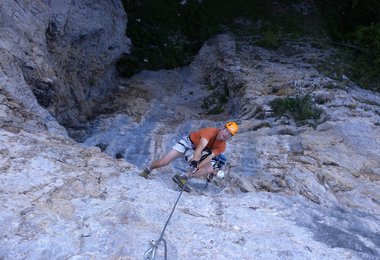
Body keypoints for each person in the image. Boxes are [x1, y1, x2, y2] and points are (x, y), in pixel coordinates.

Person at [139, 122, 238, 192]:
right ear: (223, 128)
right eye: (226, 131)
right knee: (163, 162)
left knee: (209, 168)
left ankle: (183, 176)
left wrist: (198, 166)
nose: (226, 135)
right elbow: (201, 145)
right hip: (187, 143)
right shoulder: (210, 131)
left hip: (195, 151)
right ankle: (148, 169)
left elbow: (209, 157)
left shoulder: (222, 146)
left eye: (229, 134)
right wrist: (195, 161)